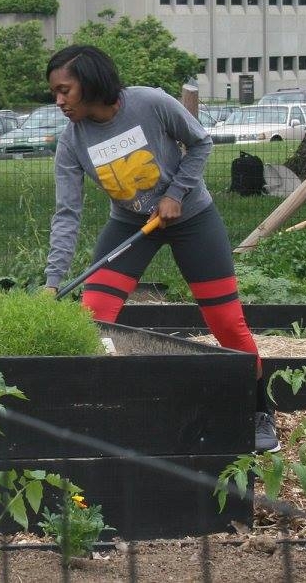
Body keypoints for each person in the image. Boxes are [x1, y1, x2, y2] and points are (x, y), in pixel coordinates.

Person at [42, 45, 278, 453]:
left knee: (226, 322)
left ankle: (260, 412)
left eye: (65, 90)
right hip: (130, 224)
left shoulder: (149, 103)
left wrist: (176, 193)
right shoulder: (72, 142)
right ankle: (97, 410)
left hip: (192, 220)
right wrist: (52, 281)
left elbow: (200, 143)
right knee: (91, 316)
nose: (59, 101)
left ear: (91, 83)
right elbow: (67, 214)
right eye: (55, 93)